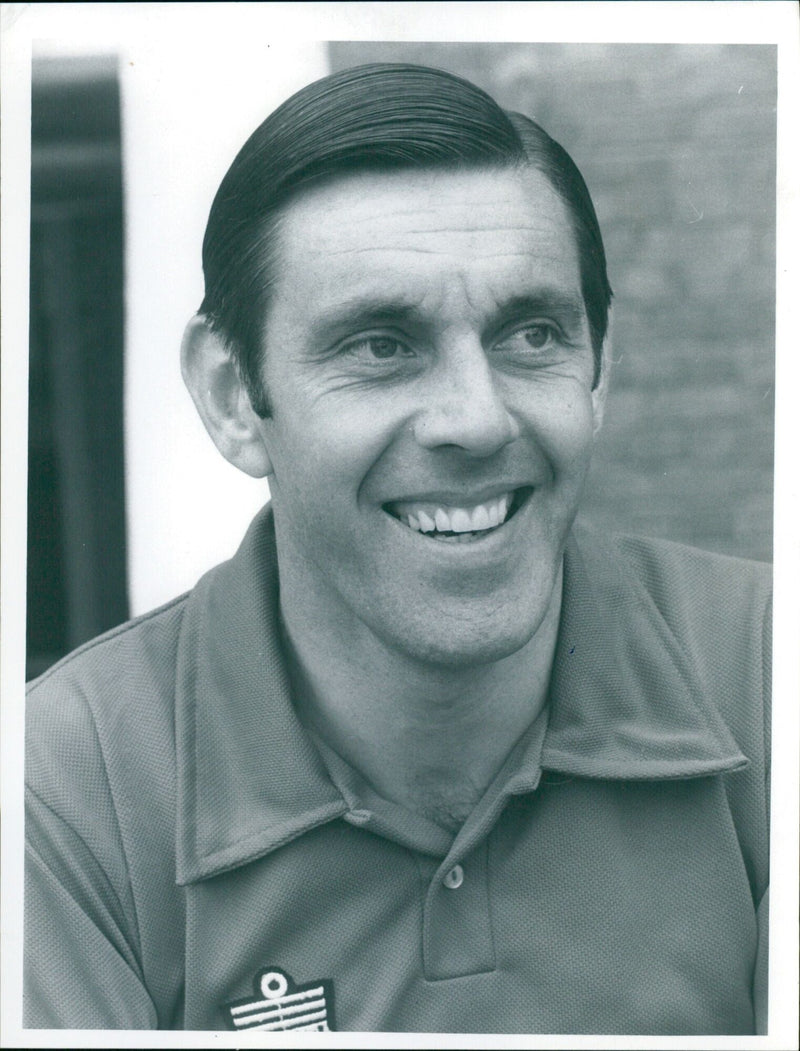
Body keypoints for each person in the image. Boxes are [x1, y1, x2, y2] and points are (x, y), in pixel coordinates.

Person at [24, 63, 770, 1034]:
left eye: (531, 332)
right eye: (380, 344)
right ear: (229, 394)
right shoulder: (68, 793)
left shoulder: (767, 673)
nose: (474, 416)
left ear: (596, 367)